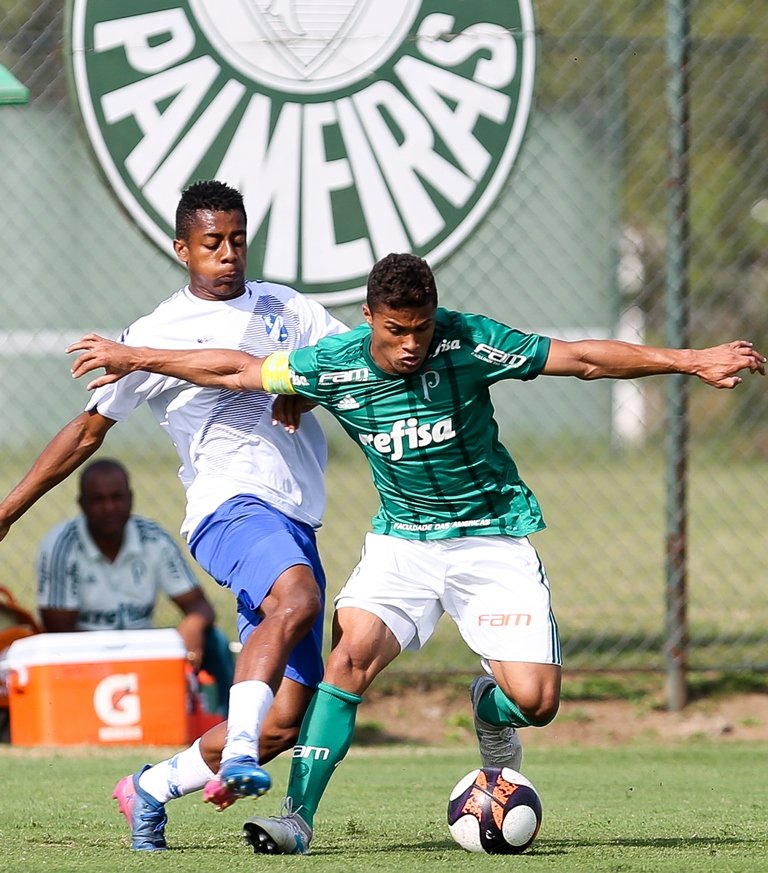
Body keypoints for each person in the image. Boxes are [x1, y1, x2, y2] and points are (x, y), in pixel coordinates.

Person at [68, 252, 766, 855]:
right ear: (370, 318)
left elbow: (580, 359)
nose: (411, 345)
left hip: (491, 535)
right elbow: (236, 369)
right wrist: (137, 356)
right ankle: (296, 818)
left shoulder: (467, 343)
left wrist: (692, 359)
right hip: (402, 543)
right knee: (347, 660)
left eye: (421, 329)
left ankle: (489, 710)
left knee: (538, 702)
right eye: (397, 330)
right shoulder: (332, 363)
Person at [0, 180, 347, 852]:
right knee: (297, 597)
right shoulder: (157, 332)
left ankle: (150, 787)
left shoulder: (287, 307)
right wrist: (9, 508)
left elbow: (340, 365)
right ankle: (238, 749)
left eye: (238, 240)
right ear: (181, 248)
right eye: (212, 243)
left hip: (296, 516)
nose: (228, 254)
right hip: (227, 507)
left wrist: (306, 391)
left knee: (284, 722)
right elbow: (87, 430)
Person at [36, 457, 234, 714]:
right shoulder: (62, 545)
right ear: (82, 504)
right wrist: (114, 657)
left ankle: (225, 723)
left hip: (145, 648)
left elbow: (199, 606)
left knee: (214, 640)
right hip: (86, 651)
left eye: (116, 497)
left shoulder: (153, 538)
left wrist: (193, 624)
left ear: (130, 498)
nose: (109, 507)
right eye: (98, 499)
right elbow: (58, 630)